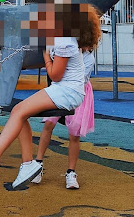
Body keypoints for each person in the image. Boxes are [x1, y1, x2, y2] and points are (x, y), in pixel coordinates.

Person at [0, 0, 102, 190]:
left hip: (67, 91)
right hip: (65, 90)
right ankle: (28, 165)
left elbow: (55, 75)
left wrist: (46, 57)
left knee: (19, 112)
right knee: (19, 112)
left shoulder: (65, 40)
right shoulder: (62, 38)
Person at [32, 49, 96, 189]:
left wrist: (49, 60)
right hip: (60, 89)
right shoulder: (67, 48)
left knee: (74, 133)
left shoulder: (88, 58)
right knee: (49, 123)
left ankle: (71, 173)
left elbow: (67, 77)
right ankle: (37, 165)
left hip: (77, 92)